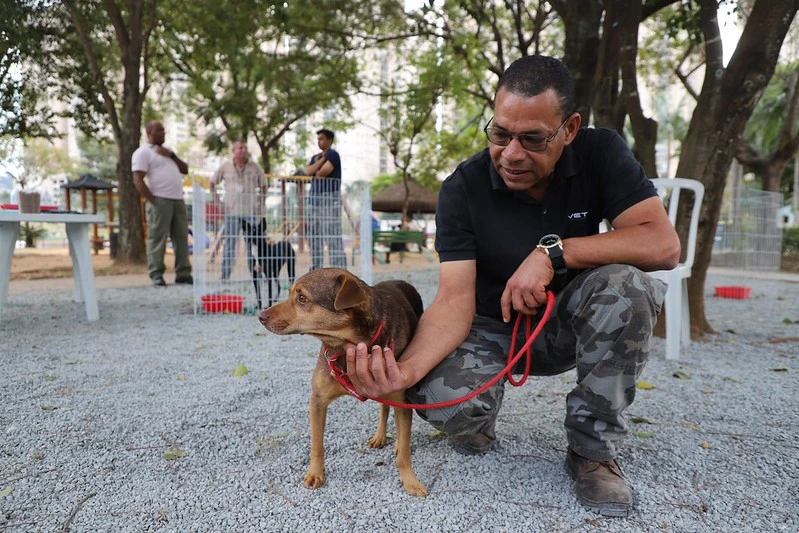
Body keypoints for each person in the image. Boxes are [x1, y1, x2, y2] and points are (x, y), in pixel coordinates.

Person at [343, 55, 680, 517]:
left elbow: (662, 244)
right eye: (500, 134)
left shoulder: (603, 153)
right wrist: (405, 372)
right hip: (489, 327)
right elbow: (454, 301)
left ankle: (592, 450)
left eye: (533, 138)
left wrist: (554, 253)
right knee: (439, 403)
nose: (512, 153)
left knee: (629, 287)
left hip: (570, 323)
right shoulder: (462, 187)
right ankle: (478, 418)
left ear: (570, 128)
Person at [132, 120, 193, 287]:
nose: (164, 133)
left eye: (164, 130)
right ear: (150, 132)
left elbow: (185, 169)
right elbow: (137, 178)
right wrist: (152, 199)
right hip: (160, 199)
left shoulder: (168, 152)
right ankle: (156, 273)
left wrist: (172, 155)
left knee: (181, 236)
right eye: (160, 130)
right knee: (157, 237)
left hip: (177, 200)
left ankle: (183, 272)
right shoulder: (143, 153)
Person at [209, 140, 268, 281]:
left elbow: (264, 185)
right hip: (231, 211)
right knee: (229, 244)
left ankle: (257, 274)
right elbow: (212, 183)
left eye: (245, 148)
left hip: (250, 212)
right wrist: (218, 202)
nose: (243, 150)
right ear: (233, 150)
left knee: (253, 245)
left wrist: (261, 205)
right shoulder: (225, 166)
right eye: (240, 148)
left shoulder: (255, 167)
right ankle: (225, 275)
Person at [306, 128, 346, 270]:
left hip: (330, 200)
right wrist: (323, 158)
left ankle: (339, 270)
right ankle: (316, 269)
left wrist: (321, 163)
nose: (319, 141)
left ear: (329, 140)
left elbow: (322, 173)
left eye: (322, 138)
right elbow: (308, 172)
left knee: (333, 236)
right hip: (315, 201)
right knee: (315, 236)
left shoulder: (334, 155)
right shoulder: (317, 157)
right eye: (318, 139)